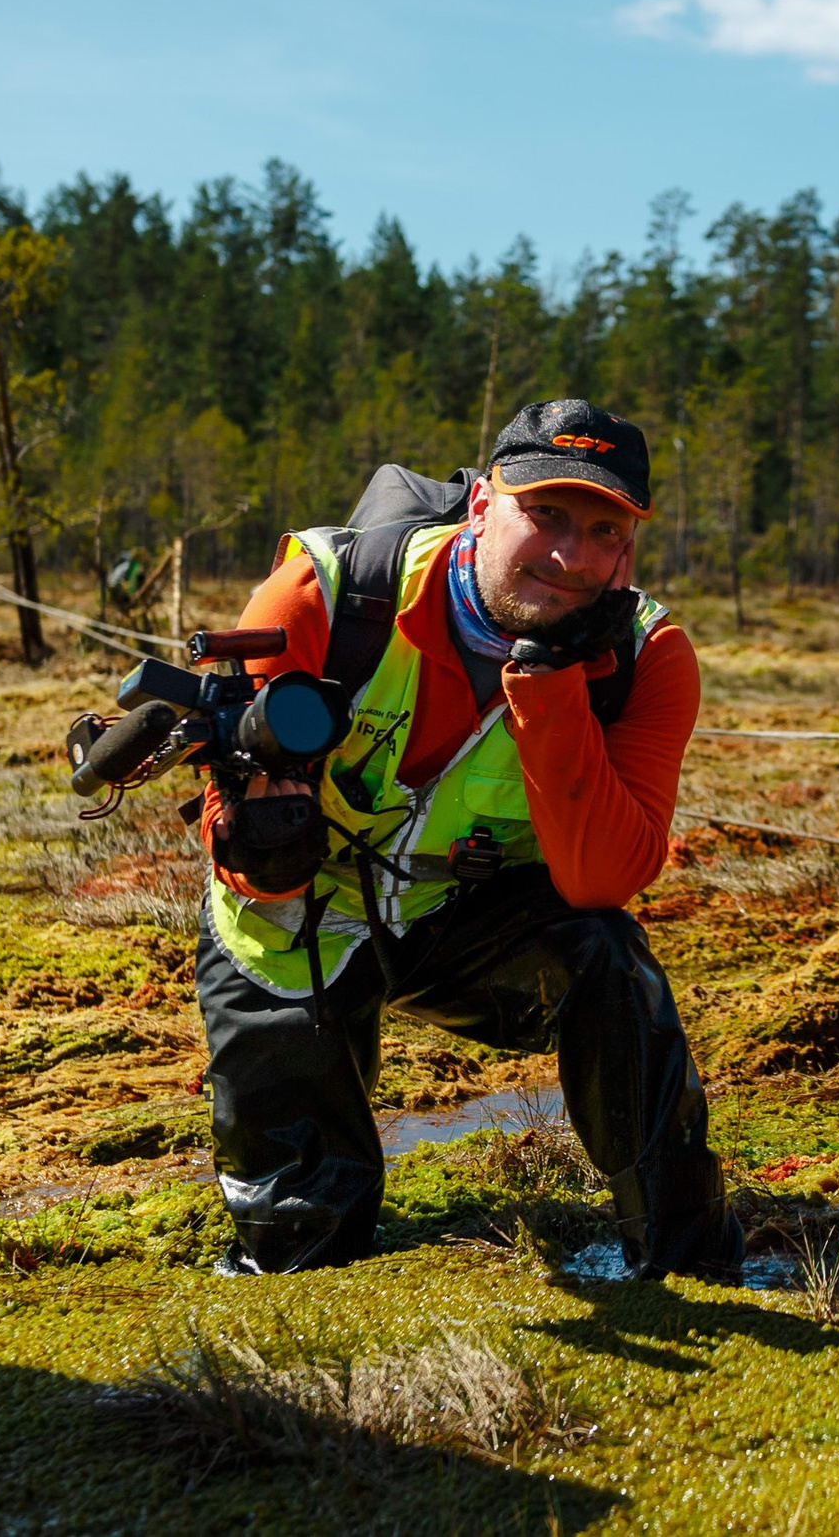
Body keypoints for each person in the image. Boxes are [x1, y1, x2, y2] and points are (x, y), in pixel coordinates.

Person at [192, 398, 742, 1279]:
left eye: (602, 530)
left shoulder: (647, 657)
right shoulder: (325, 593)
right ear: (483, 504)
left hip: (471, 920)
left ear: (628, 550)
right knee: (299, 1247)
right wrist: (258, 839)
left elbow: (606, 876)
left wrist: (552, 684)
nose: (570, 555)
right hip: (294, 925)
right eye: (547, 515)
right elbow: (235, 828)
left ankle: (687, 1255)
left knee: (608, 956)